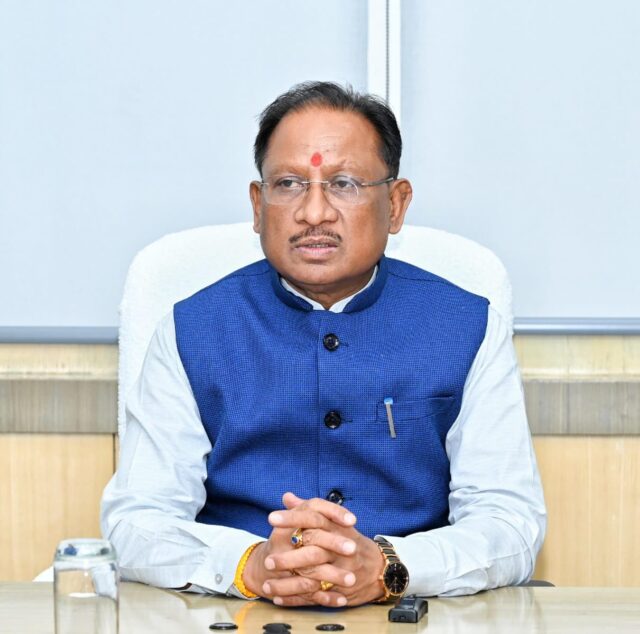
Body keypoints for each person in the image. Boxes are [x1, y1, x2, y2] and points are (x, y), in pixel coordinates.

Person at [101, 81, 546, 608]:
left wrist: (388, 565)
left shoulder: (466, 325)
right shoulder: (191, 328)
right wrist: (250, 566)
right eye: (289, 184)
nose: (314, 212)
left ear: (396, 205)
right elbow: (137, 521)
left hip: (411, 613)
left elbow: (509, 521)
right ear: (258, 205)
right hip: (233, 611)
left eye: (344, 184)